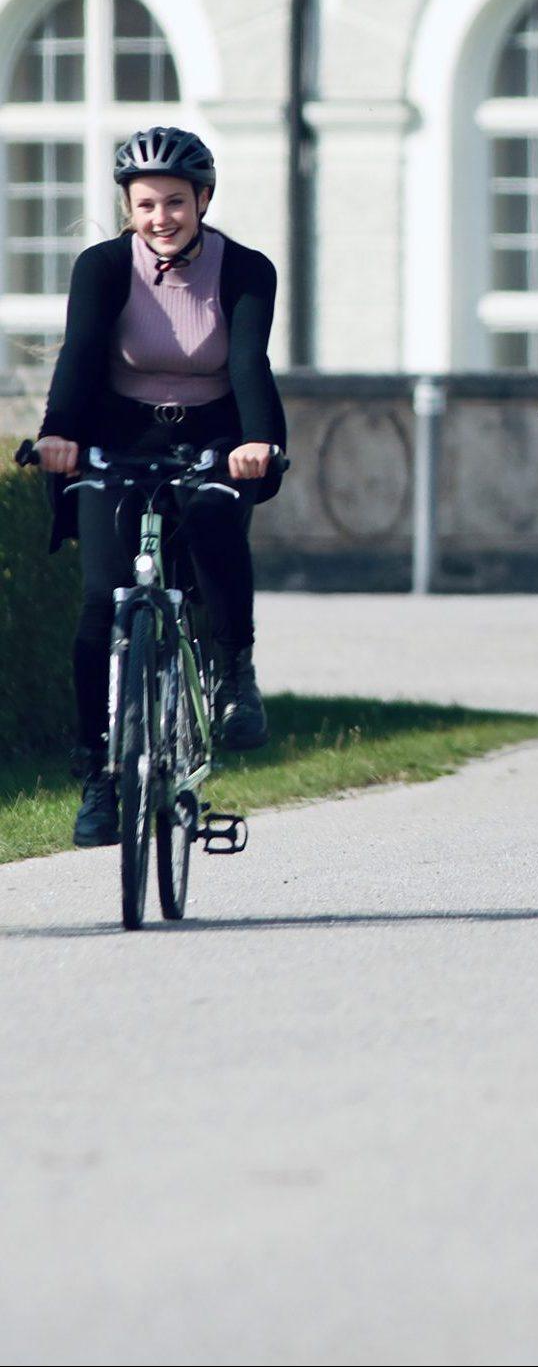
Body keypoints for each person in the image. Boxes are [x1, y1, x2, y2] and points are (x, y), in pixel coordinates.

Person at [33, 126, 287, 847]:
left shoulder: (246, 270)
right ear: (128, 207)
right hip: (117, 434)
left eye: (175, 202)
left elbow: (247, 363)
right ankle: (99, 777)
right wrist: (59, 435)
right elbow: (79, 358)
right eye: (146, 204)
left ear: (203, 200)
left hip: (217, 433)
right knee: (98, 604)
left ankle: (234, 670)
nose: (160, 218)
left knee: (210, 522)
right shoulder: (103, 267)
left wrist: (255, 442)